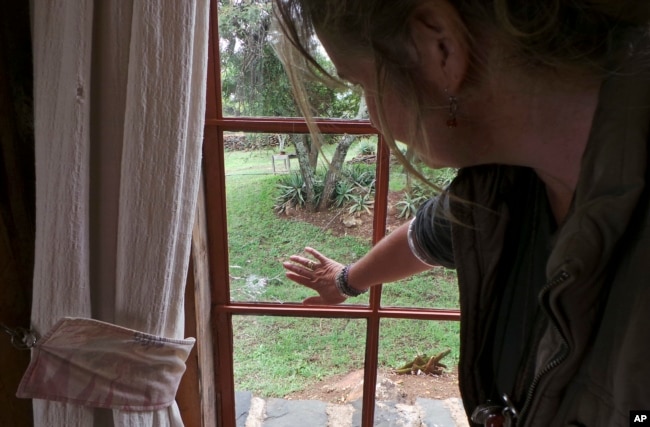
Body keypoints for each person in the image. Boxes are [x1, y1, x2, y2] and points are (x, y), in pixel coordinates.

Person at [274, 1, 650, 426]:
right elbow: (425, 236)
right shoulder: (505, 183)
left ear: (440, 49)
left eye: (363, 82)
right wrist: (344, 280)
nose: (375, 118)